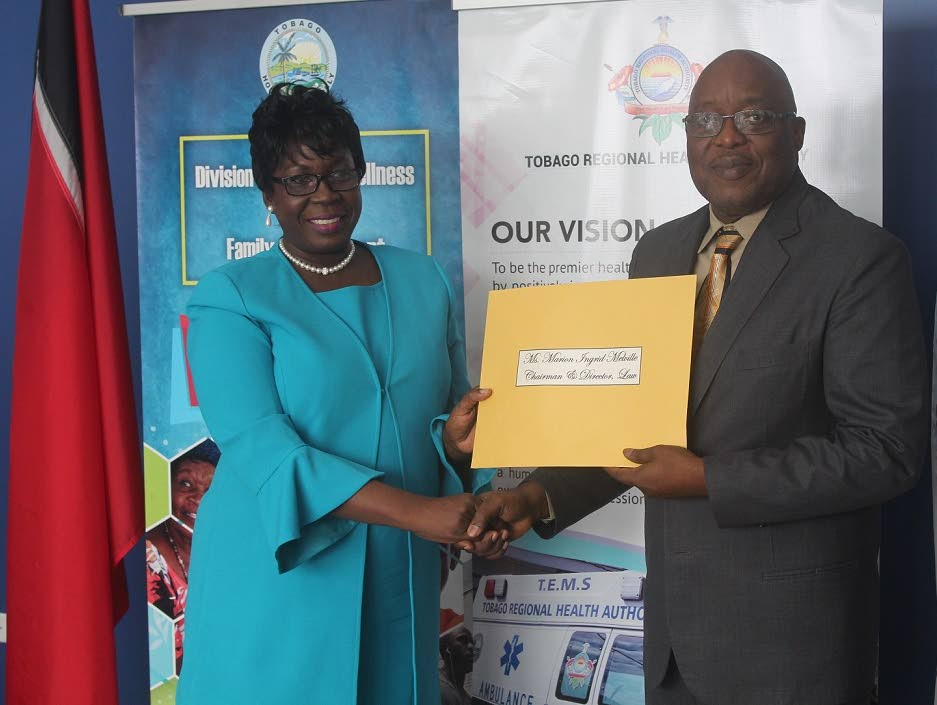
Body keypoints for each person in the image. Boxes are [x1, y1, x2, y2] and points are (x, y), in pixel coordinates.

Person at [464, 50, 928, 705]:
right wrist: (534, 497)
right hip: (673, 651)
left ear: (795, 134)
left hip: (794, 653)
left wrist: (707, 479)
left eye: (753, 117)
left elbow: (884, 452)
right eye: (705, 119)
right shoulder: (657, 253)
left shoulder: (858, 259)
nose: (727, 137)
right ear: (685, 137)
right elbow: (632, 426)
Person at [177, 83, 502, 705]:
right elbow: (265, 449)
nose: (323, 195)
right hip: (281, 571)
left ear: (361, 175)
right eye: (299, 180)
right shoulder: (230, 296)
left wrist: (457, 449)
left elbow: (445, 418)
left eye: (339, 174)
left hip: (395, 570)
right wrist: (426, 515)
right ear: (268, 193)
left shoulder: (423, 277)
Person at [144, 437, 219, 673]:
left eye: (211, 490)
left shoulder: (235, 554)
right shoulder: (147, 557)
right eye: (186, 484)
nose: (198, 498)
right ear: (167, 486)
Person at [439, 627, 474, 705]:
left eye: (472, 642)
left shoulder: (467, 699)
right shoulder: (434, 687)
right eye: (462, 640)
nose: (471, 646)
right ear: (446, 649)